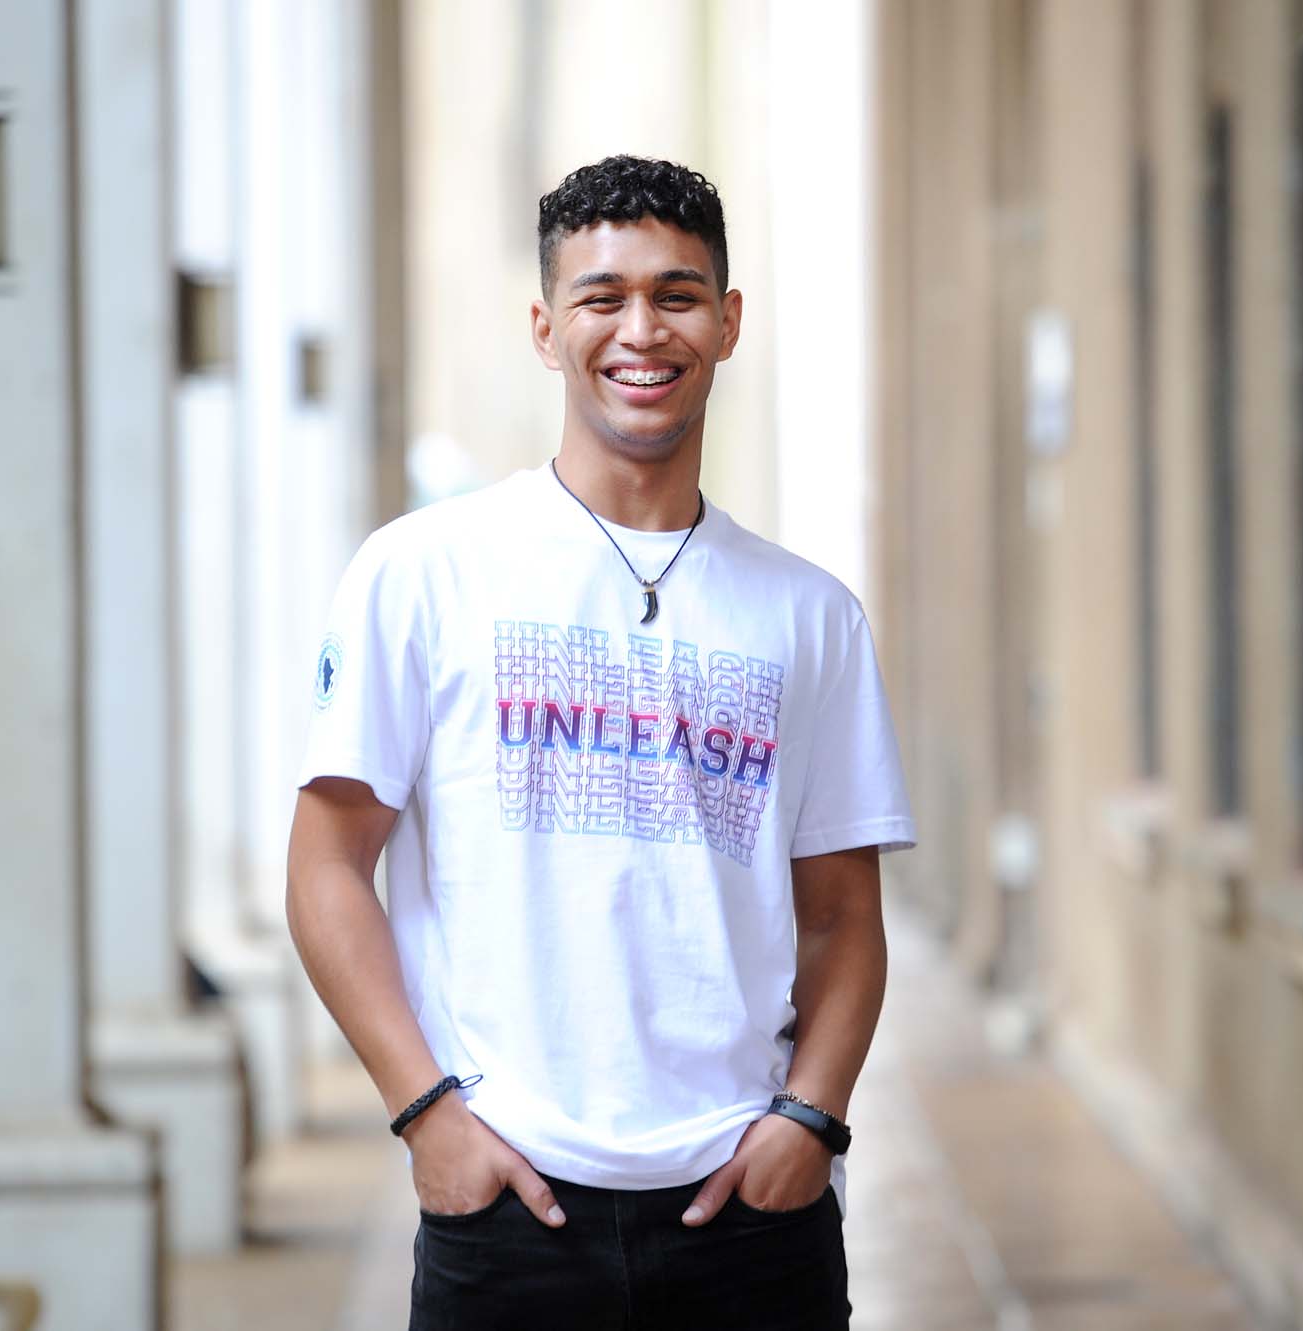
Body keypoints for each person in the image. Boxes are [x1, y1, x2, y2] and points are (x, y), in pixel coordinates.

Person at [285, 154, 915, 1331]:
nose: (641, 329)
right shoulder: (424, 572)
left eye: (677, 295)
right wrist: (426, 1115)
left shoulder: (807, 614)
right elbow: (326, 865)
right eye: (601, 295)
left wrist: (809, 1121)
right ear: (544, 326)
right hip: (509, 1213)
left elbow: (841, 914)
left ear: (726, 324)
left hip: (749, 1213)